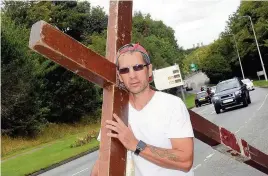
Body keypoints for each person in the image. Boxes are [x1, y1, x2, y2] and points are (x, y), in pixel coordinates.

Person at [91, 43, 194, 176]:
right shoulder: (116, 113)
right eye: (125, 70)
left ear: (149, 70)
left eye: (138, 67)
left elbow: (185, 161)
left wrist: (135, 144)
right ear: (119, 76)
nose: (132, 75)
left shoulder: (172, 105)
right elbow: (103, 163)